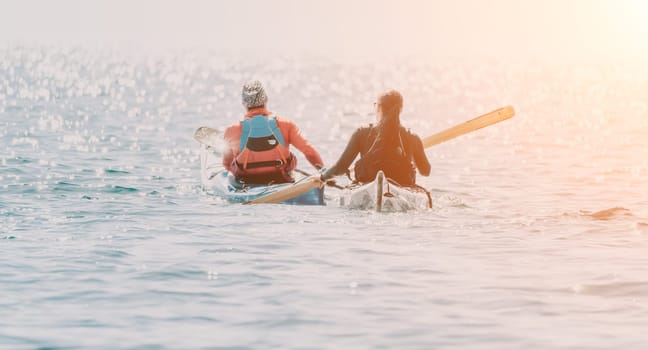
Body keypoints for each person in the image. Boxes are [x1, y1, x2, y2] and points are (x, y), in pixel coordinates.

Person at [222, 80, 324, 184]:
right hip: (281, 177)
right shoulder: (286, 125)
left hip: (247, 179)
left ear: (244, 103)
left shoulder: (231, 130)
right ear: (266, 99)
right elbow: (308, 151)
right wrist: (323, 172)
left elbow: (227, 164)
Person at [320, 90, 430, 186]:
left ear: (379, 108)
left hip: (368, 183)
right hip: (401, 184)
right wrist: (412, 157)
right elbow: (426, 171)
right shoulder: (413, 137)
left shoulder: (361, 133)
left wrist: (323, 177)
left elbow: (340, 168)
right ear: (400, 109)